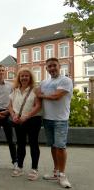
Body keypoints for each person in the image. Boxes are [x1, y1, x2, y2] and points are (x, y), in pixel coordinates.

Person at [36, 58, 73, 188]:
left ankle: (62, 175)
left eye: (54, 66)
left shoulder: (66, 80)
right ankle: (56, 171)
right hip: (47, 119)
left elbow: (56, 96)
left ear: (59, 66)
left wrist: (41, 95)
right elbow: (36, 93)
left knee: (61, 147)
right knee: (52, 145)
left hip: (61, 119)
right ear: (46, 69)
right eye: (49, 66)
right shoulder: (44, 82)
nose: (52, 68)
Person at [8, 68, 41, 180]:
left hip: (33, 120)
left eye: (26, 76)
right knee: (20, 144)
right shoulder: (15, 90)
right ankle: (20, 167)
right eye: (22, 76)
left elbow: (38, 106)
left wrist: (27, 116)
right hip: (18, 120)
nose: (24, 78)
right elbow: (10, 106)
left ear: (30, 77)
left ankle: (34, 169)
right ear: (19, 77)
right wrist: (13, 115)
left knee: (33, 144)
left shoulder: (35, 89)